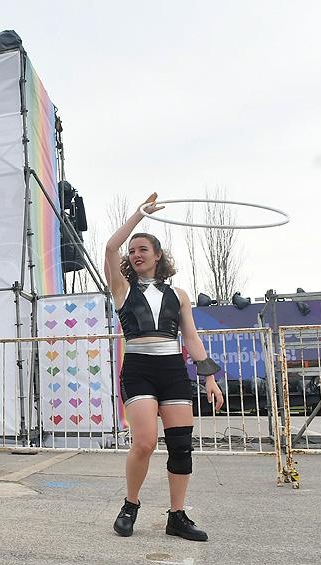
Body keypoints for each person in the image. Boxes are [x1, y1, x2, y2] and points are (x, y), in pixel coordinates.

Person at [105, 193, 224, 542]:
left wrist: (210, 378)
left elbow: (192, 338)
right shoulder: (122, 289)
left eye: (143, 249)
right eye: (133, 250)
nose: (135, 254)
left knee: (181, 445)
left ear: (158, 255)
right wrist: (138, 216)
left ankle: (177, 516)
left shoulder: (180, 295)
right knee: (143, 443)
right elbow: (111, 248)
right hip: (139, 369)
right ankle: (130, 505)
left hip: (173, 371)